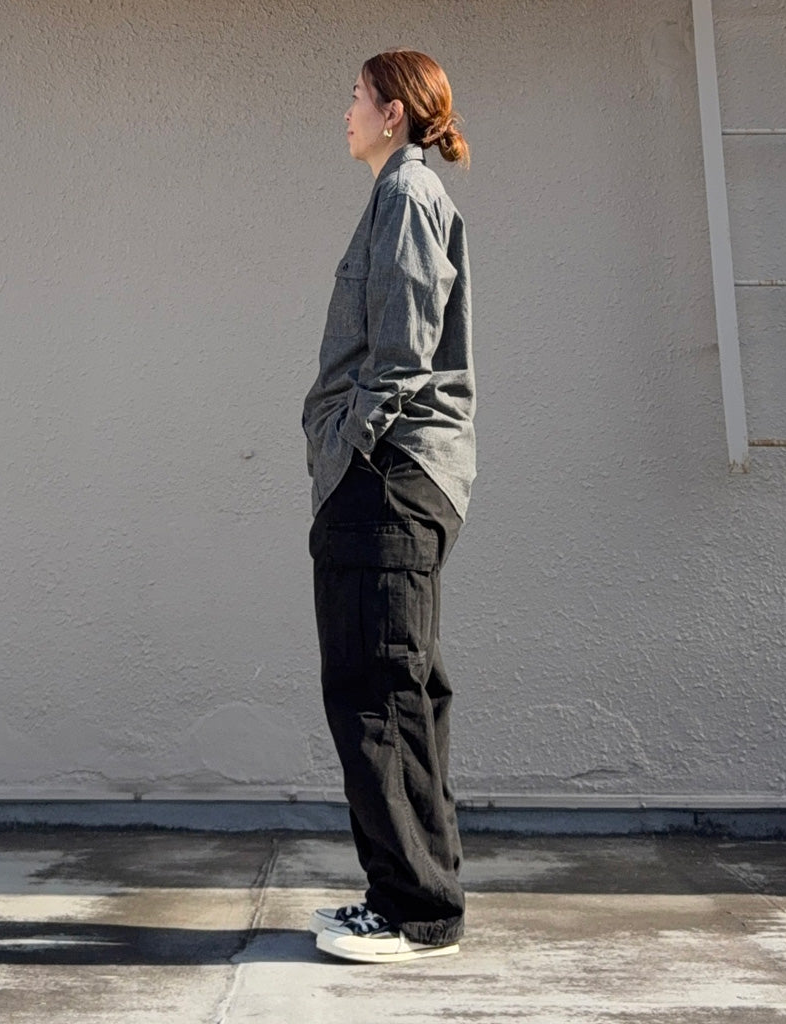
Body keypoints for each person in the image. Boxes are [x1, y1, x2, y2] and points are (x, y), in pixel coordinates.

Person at [301, 49, 476, 965]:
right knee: (401, 690)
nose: (346, 113)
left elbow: (403, 348)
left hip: (386, 475)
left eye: (356, 98)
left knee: (376, 691)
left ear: (394, 113)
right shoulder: (399, 194)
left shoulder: (406, 194)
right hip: (395, 476)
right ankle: (413, 891)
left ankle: (415, 910)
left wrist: (348, 445)